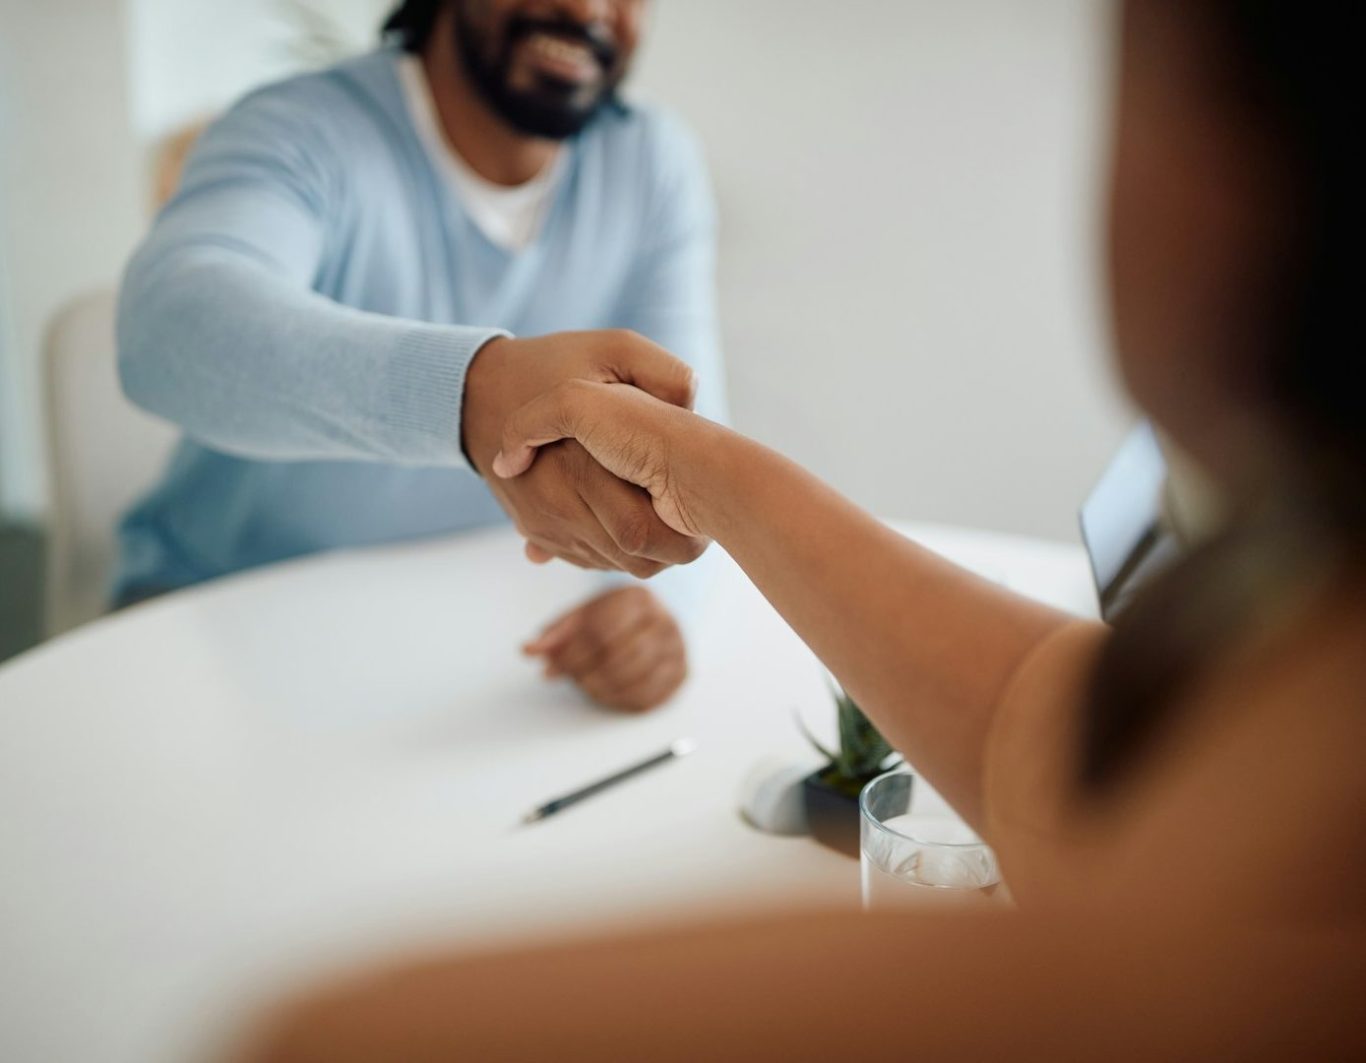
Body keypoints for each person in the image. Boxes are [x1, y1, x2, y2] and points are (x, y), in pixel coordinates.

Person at [244, 0, 1365, 1057]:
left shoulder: (646, 159)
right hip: (266, 674)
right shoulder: (305, 130)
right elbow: (1033, 728)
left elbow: (336, 1038)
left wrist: (659, 590)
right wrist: (626, 446)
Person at [115, 0, 726, 712]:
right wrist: (472, 396)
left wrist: (658, 606)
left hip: (477, 632)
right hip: (222, 621)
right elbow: (165, 332)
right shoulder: (300, 127)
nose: (588, 8)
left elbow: (690, 433)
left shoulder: (649, 161)